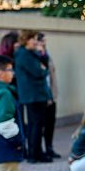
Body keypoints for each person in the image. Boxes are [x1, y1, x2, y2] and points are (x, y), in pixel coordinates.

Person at [14, 30, 52, 163]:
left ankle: (37, 152)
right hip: (33, 96)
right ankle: (33, 154)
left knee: (37, 124)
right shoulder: (24, 55)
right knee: (35, 125)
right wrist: (44, 70)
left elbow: (44, 65)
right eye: (33, 39)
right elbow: (38, 72)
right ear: (26, 40)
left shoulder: (31, 54)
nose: (36, 42)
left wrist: (43, 65)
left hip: (37, 95)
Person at [36, 33, 60, 159]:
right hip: (42, 96)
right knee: (41, 124)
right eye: (41, 41)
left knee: (50, 123)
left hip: (51, 94)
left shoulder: (47, 55)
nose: (44, 44)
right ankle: (40, 150)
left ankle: (49, 147)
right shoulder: (35, 56)